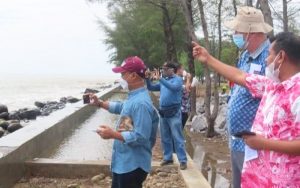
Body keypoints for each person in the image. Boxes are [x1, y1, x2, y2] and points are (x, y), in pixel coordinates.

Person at [192, 31, 300, 187]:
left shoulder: (297, 94)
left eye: (269, 55)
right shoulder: (272, 86)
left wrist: (262, 143)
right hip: (259, 180)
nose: (267, 60)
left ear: (281, 57)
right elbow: (240, 76)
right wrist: (208, 59)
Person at [218, 6, 273, 188]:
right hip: (236, 140)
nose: (235, 34)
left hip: (254, 145)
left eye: (238, 30)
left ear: (251, 31)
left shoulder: (270, 58)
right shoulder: (245, 56)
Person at [90, 56, 159, 188]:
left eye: (123, 74)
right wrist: (99, 103)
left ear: (133, 75)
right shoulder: (134, 97)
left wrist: (113, 134)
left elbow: (141, 136)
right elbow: (122, 108)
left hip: (132, 165)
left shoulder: (141, 103)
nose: (120, 77)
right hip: (124, 163)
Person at [145, 62, 188, 170]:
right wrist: (148, 78)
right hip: (163, 113)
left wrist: (160, 79)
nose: (163, 70)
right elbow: (151, 87)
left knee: (177, 137)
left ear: (172, 70)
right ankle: (168, 157)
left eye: (165, 69)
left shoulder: (177, 79)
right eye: (162, 69)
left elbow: (173, 88)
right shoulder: (164, 81)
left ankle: (182, 160)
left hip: (174, 113)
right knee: (165, 137)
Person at [176, 64, 192, 129]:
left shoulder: (178, 80)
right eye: (182, 69)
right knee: (179, 130)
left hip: (182, 110)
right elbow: (186, 91)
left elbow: (186, 89)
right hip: (182, 111)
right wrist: (188, 78)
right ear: (178, 70)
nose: (183, 70)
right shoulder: (177, 80)